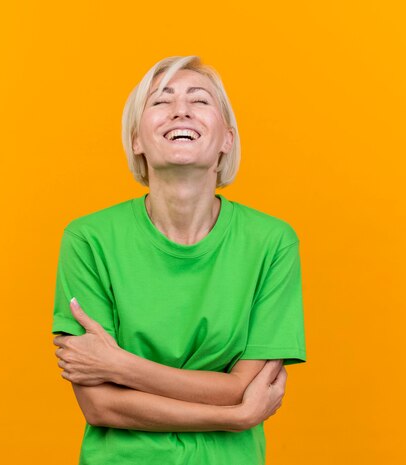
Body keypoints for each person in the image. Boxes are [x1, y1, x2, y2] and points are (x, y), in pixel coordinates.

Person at [51, 55, 307, 464]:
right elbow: (101, 406)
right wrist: (236, 417)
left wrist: (119, 365)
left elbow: (245, 388)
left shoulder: (271, 242)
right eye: (160, 101)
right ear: (137, 139)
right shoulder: (89, 239)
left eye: (200, 100)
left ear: (227, 138)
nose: (181, 110)